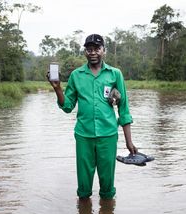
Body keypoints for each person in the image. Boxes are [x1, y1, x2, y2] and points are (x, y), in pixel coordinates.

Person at [48, 34, 137, 200]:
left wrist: (129, 141)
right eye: (89, 49)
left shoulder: (115, 74)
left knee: (108, 186)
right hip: (84, 136)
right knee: (83, 187)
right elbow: (67, 107)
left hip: (108, 136)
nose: (93, 52)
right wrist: (58, 88)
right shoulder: (76, 75)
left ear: (104, 51)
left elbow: (123, 110)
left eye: (97, 48)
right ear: (85, 52)